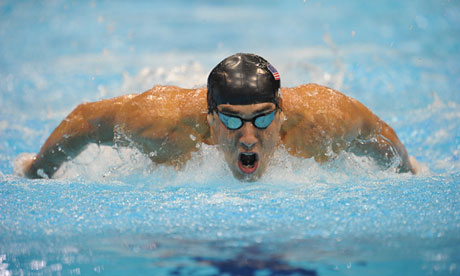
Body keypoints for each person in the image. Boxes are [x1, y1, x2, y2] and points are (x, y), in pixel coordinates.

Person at [14, 53, 419, 181]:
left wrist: (408, 173)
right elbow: (86, 121)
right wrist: (36, 169)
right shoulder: (161, 124)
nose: (247, 137)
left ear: (281, 115)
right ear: (208, 117)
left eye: (261, 119)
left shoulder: (323, 120)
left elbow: (379, 135)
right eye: (230, 120)